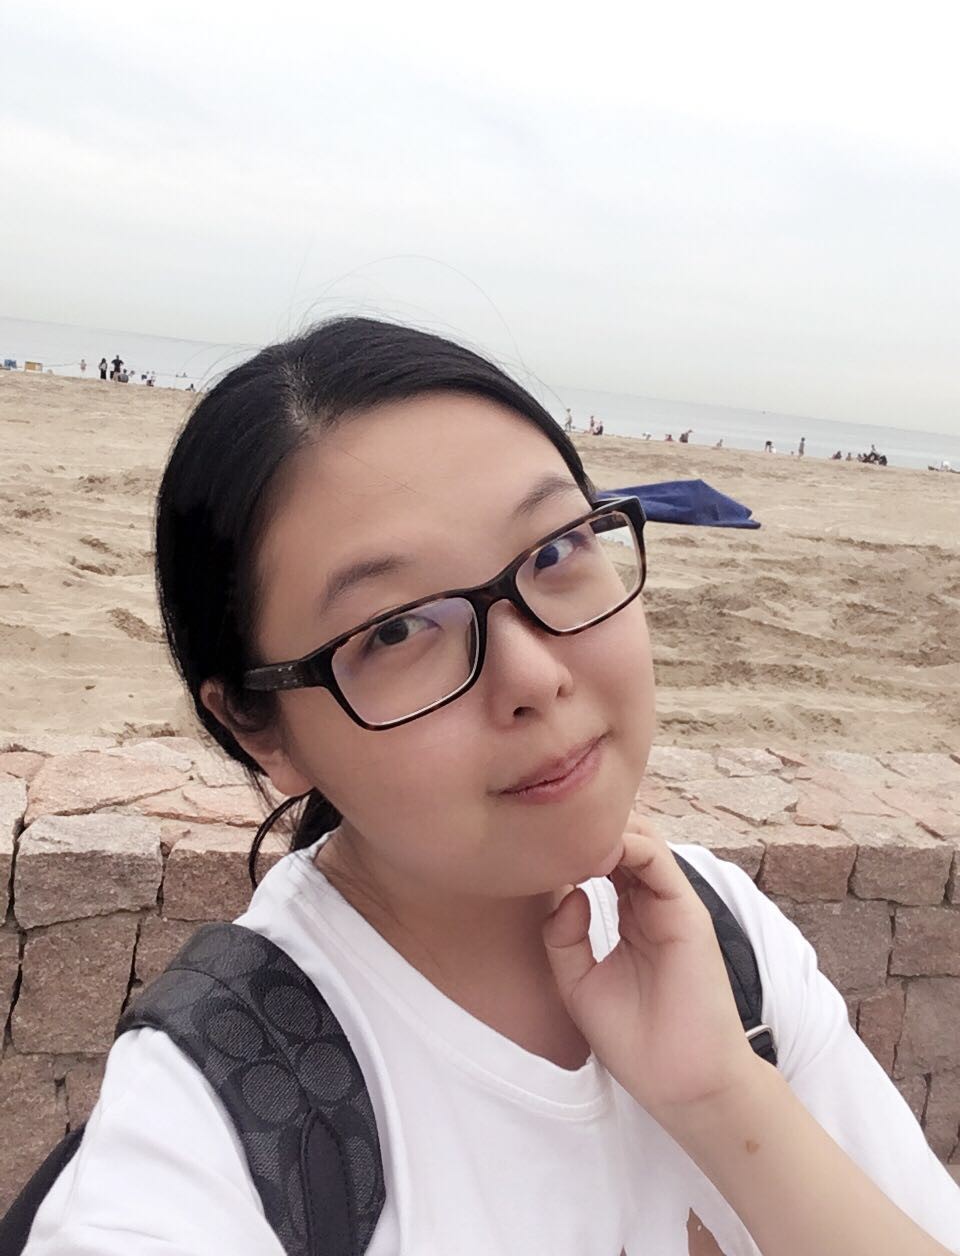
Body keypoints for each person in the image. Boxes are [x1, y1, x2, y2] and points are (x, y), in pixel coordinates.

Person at [21, 318, 959, 1256]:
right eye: (395, 630)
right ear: (258, 727)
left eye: (554, 552)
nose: (536, 677)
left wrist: (726, 1097)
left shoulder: (723, 939)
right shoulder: (219, 1125)